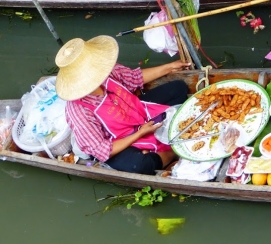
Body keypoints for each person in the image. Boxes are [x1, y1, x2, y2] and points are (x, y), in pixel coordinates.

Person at [54, 35, 191, 175]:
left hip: (137, 111)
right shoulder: (78, 110)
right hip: (117, 141)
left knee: (178, 88)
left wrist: (169, 67)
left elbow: (135, 78)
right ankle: (172, 153)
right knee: (139, 166)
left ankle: (157, 145)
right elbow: (102, 150)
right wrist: (140, 133)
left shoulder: (105, 70)